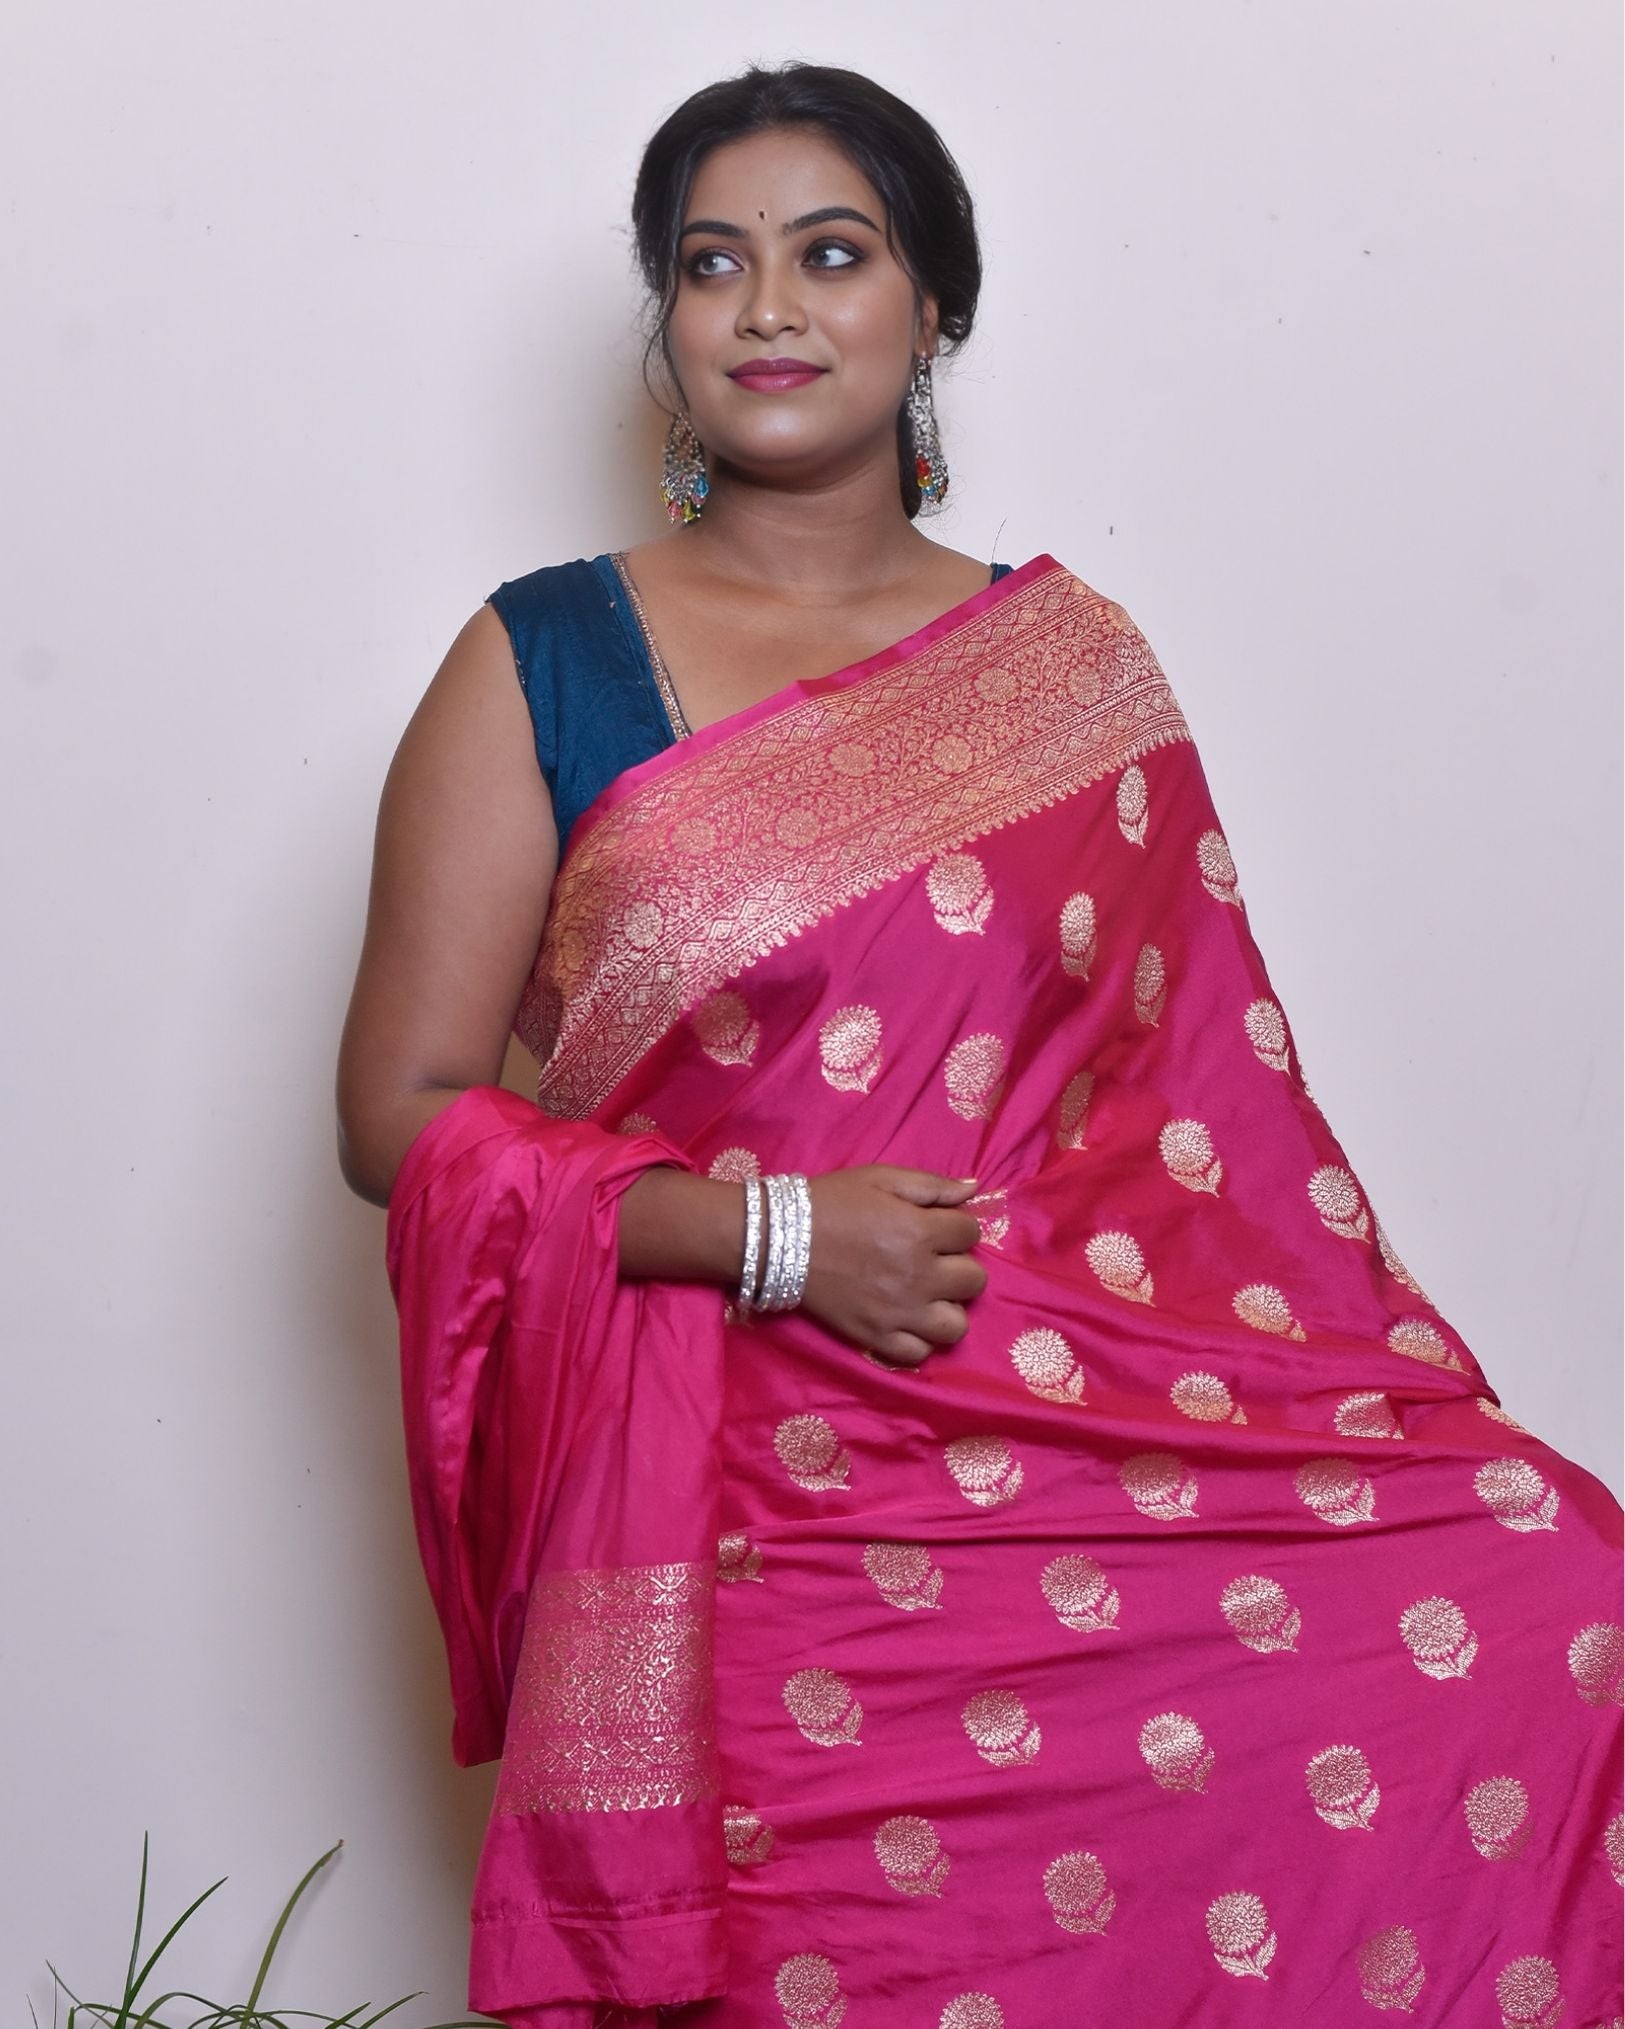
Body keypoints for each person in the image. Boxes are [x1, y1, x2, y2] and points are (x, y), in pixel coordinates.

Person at [335, 60, 1623, 2029]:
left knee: (1560, 1574)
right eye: (711, 265)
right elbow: (401, 1113)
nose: (767, 307)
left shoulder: (1069, 672)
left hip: (1081, 1425)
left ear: (932, 304)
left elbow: (1213, 1140)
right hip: (735, 1487)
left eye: (830, 254)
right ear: (667, 321)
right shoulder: (544, 660)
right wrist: (776, 1236)